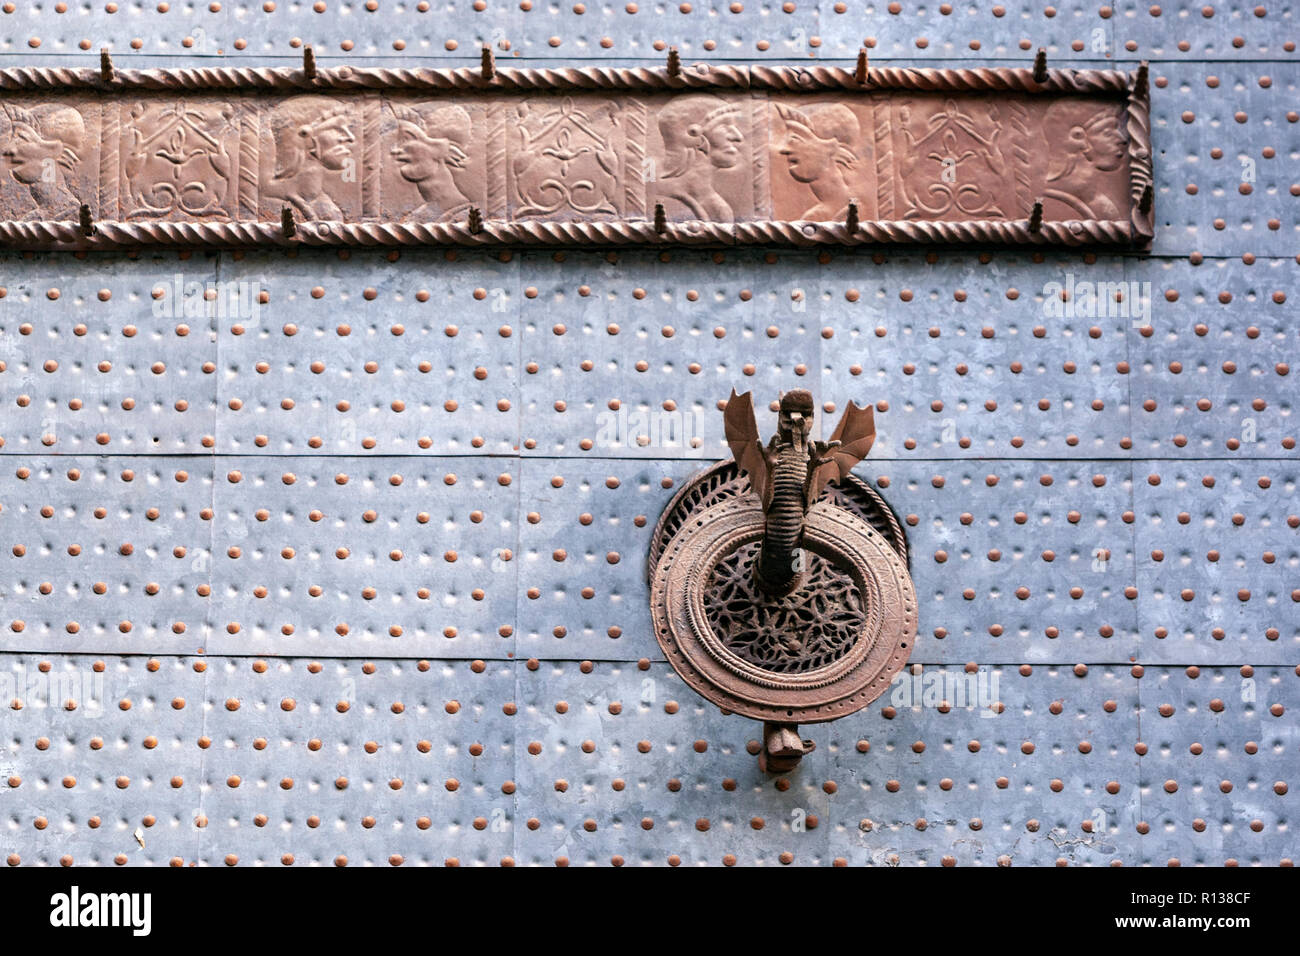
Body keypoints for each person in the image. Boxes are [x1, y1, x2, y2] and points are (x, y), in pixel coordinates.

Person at [654, 95, 745, 221]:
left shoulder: (716, 206)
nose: (737, 136)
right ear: (693, 135)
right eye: (724, 127)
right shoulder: (667, 202)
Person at [264, 96, 356, 220]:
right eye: (338, 130)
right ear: (305, 135)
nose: (350, 137)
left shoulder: (324, 204)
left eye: (348, 130)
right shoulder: (273, 203)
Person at [774, 102, 863, 221]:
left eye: (795, 139)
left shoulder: (820, 216)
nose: (784, 149)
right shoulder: (829, 212)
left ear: (832, 146)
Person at [1, 104, 87, 221]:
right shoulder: (33, 220)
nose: (8, 150)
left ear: (53, 149)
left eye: (22, 138)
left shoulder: (72, 217)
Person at [390, 104, 474, 222]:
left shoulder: (466, 218)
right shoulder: (417, 219)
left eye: (407, 139)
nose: (395, 150)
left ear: (446, 148)